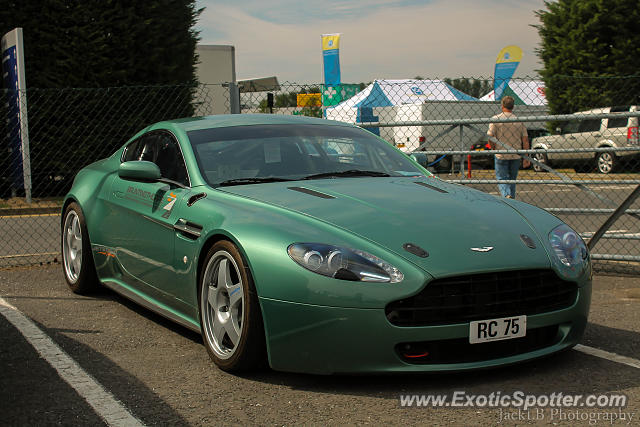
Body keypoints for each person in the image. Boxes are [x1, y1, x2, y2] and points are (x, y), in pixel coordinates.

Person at [487, 96, 530, 199]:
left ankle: (506, 194)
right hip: (515, 154)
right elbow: (525, 140)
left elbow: (490, 136)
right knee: (512, 180)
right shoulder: (519, 120)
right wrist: (526, 157)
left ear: (502, 105)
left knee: (501, 178)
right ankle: (512, 199)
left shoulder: (496, 119)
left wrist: (493, 147)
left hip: (501, 153)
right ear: (513, 106)